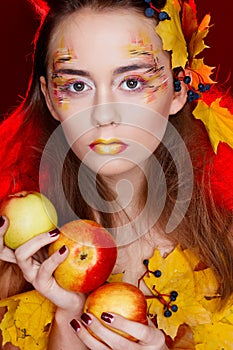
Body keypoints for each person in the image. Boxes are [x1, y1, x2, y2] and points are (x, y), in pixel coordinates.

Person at [0, 0, 233, 349]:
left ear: (179, 88)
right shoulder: (11, 268)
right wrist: (68, 319)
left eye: (133, 81)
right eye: (78, 86)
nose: (104, 114)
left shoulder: (227, 249)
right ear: (50, 99)